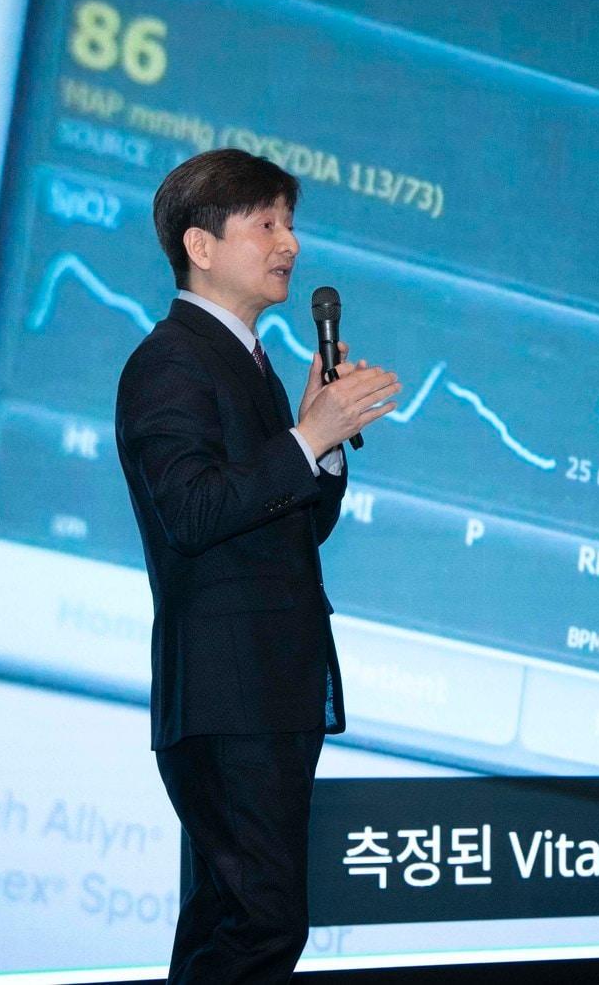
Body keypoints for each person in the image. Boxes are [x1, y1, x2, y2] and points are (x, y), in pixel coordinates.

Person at [114, 148, 402, 982]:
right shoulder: (172, 360)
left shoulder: (248, 362)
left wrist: (324, 444)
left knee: (233, 920)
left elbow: (289, 533)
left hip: (264, 685)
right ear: (200, 246)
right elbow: (193, 512)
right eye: (267, 223)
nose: (291, 244)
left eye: (291, 223)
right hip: (227, 688)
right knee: (259, 924)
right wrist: (306, 438)